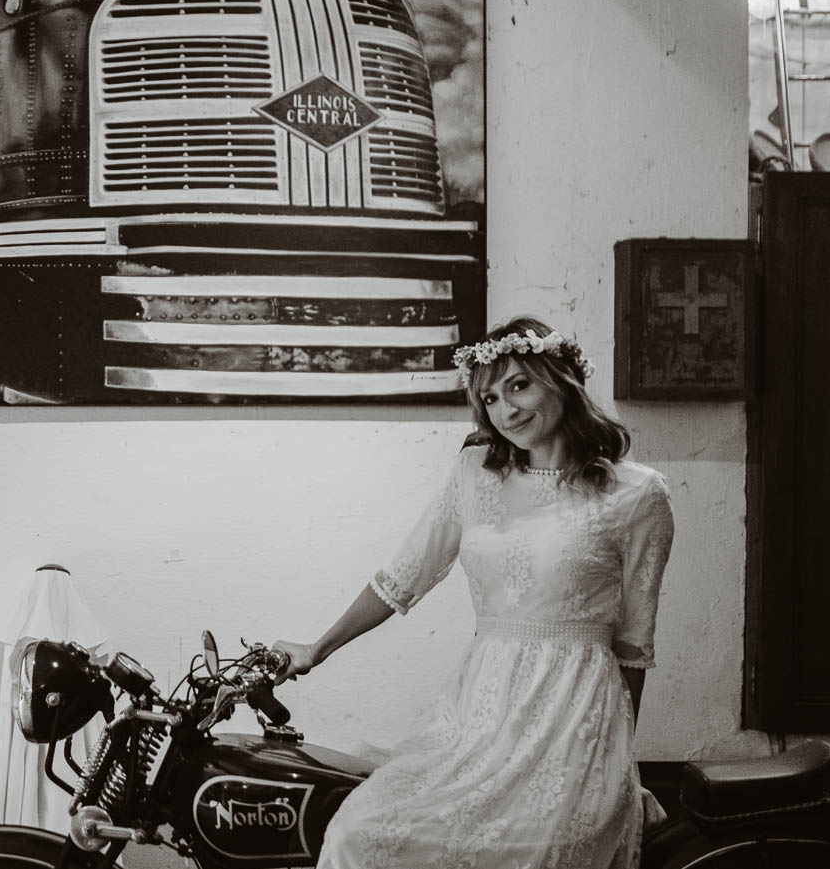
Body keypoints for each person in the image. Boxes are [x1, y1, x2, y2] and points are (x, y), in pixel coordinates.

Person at [272, 315, 674, 869]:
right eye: (489, 397)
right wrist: (316, 650)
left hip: (575, 715)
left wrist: (619, 759)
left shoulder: (639, 494)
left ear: (561, 379)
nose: (506, 410)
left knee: (539, 851)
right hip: (480, 713)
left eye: (519, 385)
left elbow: (634, 643)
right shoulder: (473, 473)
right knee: (361, 834)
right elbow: (401, 577)